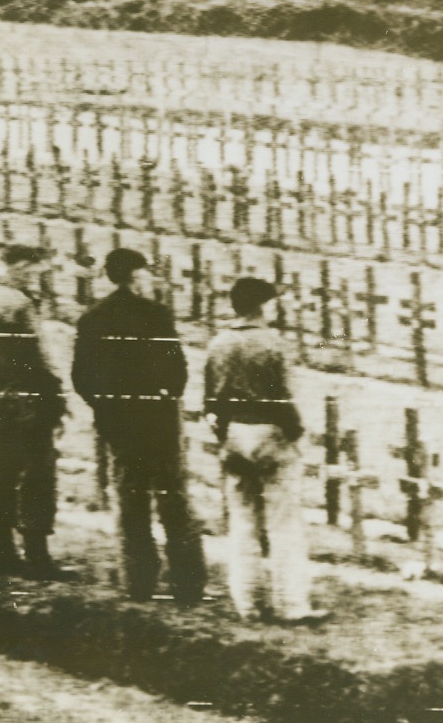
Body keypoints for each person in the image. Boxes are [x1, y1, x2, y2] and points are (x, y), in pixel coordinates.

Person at [72, 248, 207, 604]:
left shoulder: (93, 319)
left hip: (119, 425)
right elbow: (177, 367)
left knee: (131, 501)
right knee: (173, 500)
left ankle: (139, 582)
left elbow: (81, 378)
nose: (151, 278)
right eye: (146, 272)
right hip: (159, 421)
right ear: (135, 276)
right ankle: (187, 584)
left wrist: (106, 407)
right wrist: (167, 397)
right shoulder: (156, 315)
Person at [204, 276, 327, 624]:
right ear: (263, 306)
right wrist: (295, 433)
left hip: (234, 435)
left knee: (242, 522)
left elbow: (211, 400)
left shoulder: (219, 344)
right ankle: (291, 604)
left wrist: (224, 433)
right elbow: (284, 398)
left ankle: (248, 603)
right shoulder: (274, 344)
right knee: (283, 523)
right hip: (270, 434)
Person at [0, 243, 73, 580]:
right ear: (23, 267)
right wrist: (58, 395)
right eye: (37, 271)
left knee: (1, 475)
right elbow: (41, 357)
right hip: (27, 402)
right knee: (39, 476)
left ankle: (3, 551)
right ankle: (38, 557)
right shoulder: (20, 303)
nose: (39, 278)